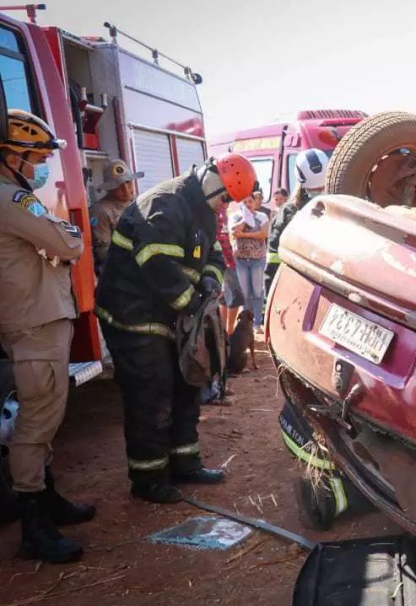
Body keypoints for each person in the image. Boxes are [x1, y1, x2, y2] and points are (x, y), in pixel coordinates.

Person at [94, 154, 257, 503]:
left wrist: (210, 288)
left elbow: (213, 257)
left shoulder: (203, 211)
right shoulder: (165, 203)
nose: (225, 206)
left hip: (169, 313)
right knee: (152, 391)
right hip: (132, 313)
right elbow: (157, 264)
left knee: (187, 382)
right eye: (225, 198)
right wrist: (191, 304)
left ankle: (185, 463)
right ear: (214, 181)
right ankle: (148, 477)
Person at [0, 110, 95, 563]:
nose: (40, 166)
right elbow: (69, 244)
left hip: (35, 320)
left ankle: (48, 500)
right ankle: (35, 526)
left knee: (45, 416)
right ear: (10, 157)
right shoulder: (9, 199)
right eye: (35, 157)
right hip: (34, 325)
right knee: (35, 424)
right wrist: (64, 240)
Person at [265, 148, 327, 297]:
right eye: (317, 188)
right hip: (301, 288)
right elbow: (274, 258)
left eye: (321, 188)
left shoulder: (289, 211)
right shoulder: (337, 205)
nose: (319, 191)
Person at [88, 159, 143, 273]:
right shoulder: (101, 211)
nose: (126, 189)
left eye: (128, 182)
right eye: (119, 186)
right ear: (110, 188)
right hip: (121, 273)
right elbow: (103, 252)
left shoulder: (139, 203)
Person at [229, 188, 270, 332]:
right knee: (245, 292)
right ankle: (247, 323)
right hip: (240, 259)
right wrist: (246, 219)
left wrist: (244, 235)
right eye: (244, 202)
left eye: (250, 201)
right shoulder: (235, 217)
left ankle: (257, 323)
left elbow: (263, 235)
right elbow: (234, 231)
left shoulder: (262, 217)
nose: (248, 204)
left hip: (257, 259)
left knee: (257, 291)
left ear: (255, 202)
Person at [216, 203, 244, 335]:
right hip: (224, 259)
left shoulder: (225, 212)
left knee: (226, 293)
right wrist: (229, 259)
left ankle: (224, 330)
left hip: (226, 258)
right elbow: (220, 237)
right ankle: (229, 330)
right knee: (235, 294)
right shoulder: (218, 213)